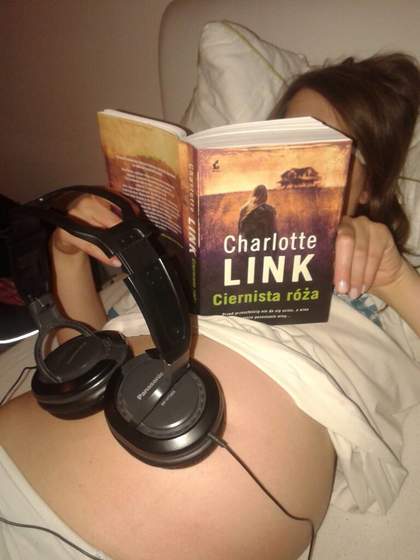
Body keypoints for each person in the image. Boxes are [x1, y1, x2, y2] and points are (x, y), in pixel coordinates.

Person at [1, 52, 420, 560]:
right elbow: (81, 363)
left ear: (369, 186)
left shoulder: (386, 285)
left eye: (327, 146)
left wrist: (395, 279)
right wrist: (67, 252)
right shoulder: (197, 250)